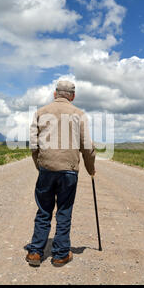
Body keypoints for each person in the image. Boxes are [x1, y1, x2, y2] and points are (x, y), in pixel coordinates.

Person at [25, 80, 96, 267]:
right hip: (69, 170)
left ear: (55, 94)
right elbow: (87, 147)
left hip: (46, 169)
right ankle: (60, 254)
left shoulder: (40, 113)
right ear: (72, 96)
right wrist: (91, 169)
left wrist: (39, 165)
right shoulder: (79, 114)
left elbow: (33, 145)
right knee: (64, 211)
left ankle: (35, 252)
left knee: (43, 211)